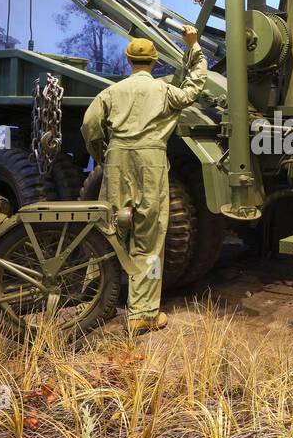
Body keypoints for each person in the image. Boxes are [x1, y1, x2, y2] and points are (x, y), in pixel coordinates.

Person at [81, 27, 206, 333]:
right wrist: (194, 48)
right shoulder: (164, 93)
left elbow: (88, 124)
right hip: (151, 162)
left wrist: (102, 153)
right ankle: (143, 313)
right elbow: (195, 86)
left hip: (118, 160)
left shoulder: (111, 92)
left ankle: (96, 302)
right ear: (154, 61)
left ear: (128, 60)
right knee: (150, 236)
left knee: (108, 228)